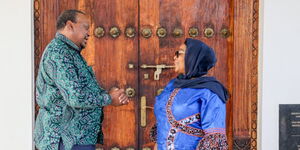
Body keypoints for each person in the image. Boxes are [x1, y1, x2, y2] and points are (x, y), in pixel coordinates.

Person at [34, 10, 129, 150]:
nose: (89, 33)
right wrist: (109, 98)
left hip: (76, 139)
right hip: (65, 140)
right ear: (70, 26)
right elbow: (75, 97)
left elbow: (80, 89)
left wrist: (108, 93)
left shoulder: (69, 52)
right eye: (85, 27)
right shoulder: (59, 53)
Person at [151, 38, 229, 150]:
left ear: (193, 58)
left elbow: (214, 140)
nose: (175, 57)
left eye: (179, 53)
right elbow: (163, 125)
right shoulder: (172, 85)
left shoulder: (210, 92)